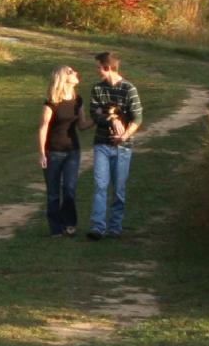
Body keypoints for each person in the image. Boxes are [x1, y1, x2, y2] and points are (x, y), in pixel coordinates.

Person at [86, 50, 143, 240]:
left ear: (107, 68)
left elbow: (137, 118)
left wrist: (124, 136)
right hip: (102, 143)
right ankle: (97, 227)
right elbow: (95, 114)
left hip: (123, 147)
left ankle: (115, 228)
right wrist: (111, 121)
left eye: (98, 68)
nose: (96, 71)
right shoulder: (97, 89)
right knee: (100, 185)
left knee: (118, 188)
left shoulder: (129, 89)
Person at [36, 65, 87, 236]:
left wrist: (100, 118)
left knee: (69, 189)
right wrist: (42, 153)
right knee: (53, 193)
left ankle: (69, 223)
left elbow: (82, 125)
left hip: (73, 151)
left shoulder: (78, 100)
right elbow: (43, 128)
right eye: (71, 72)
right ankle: (55, 228)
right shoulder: (51, 102)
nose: (75, 74)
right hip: (53, 151)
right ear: (63, 78)